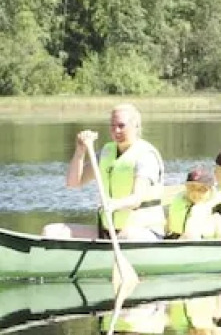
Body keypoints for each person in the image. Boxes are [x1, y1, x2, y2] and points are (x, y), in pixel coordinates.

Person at [60, 103, 166, 240]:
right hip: (109, 231)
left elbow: (136, 199)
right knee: (52, 231)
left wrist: (113, 204)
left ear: (136, 126)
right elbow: (73, 183)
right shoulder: (106, 153)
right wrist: (80, 150)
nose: (116, 131)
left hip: (145, 232)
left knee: (126, 235)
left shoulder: (145, 155)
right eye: (112, 126)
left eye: (121, 126)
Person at [166, 166, 221, 240]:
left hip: (207, 243)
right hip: (177, 240)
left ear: (211, 190)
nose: (195, 193)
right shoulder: (179, 200)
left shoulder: (219, 207)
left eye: (201, 189)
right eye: (191, 187)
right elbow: (167, 227)